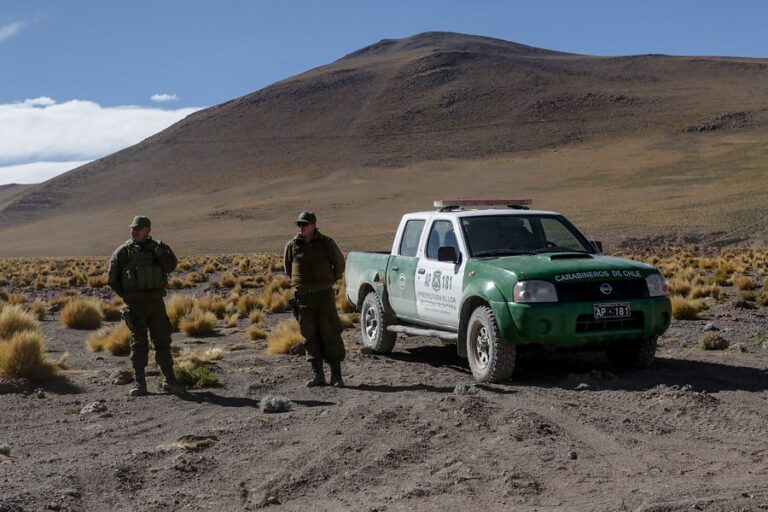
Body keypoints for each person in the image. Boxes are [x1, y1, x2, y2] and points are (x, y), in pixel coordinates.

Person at [107, 216, 183, 396]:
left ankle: (170, 380)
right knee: (138, 343)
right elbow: (112, 279)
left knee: (162, 341)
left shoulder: (159, 248)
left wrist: (158, 252)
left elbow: (171, 266)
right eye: (132, 228)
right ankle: (140, 383)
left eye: (138, 228)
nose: (134, 231)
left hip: (156, 303)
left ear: (147, 230)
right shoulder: (123, 252)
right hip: (136, 306)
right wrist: (128, 296)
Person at [283, 211, 347, 387]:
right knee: (309, 334)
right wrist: (301, 285)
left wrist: (327, 282)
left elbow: (339, 264)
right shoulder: (292, 246)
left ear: (313, 225)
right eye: (299, 224)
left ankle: (336, 376)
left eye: (304, 224)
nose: (301, 228)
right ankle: (318, 375)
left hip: (324, 296)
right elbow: (289, 269)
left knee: (330, 332)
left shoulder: (326, 243)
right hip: (303, 298)